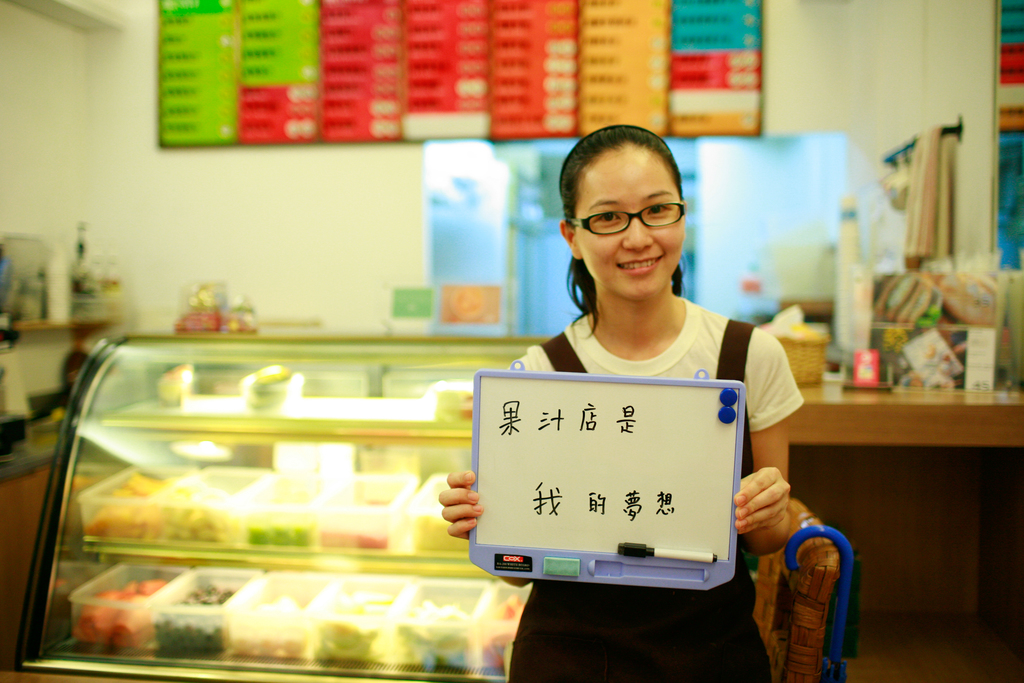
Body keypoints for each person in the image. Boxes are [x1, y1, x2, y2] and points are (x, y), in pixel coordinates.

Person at [439, 124, 803, 682]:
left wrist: (772, 510)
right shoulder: (539, 375)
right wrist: (485, 525)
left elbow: (765, 541)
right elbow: (517, 572)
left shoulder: (750, 355)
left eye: (657, 210)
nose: (637, 238)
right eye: (609, 217)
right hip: (568, 654)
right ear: (571, 235)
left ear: (682, 216)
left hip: (711, 651)